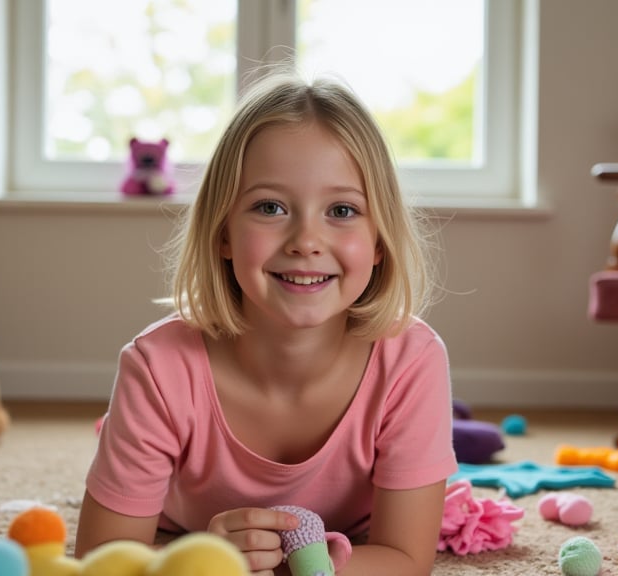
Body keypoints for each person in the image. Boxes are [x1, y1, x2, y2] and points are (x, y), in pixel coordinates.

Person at [75, 69, 456, 576]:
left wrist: (303, 567)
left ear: (380, 242)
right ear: (223, 235)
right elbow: (103, 561)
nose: (305, 240)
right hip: (188, 525)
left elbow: (406, 559)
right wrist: (204, 560)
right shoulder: (158, 367)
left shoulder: (412, 360)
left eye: (342, 210)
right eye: (270, 206)